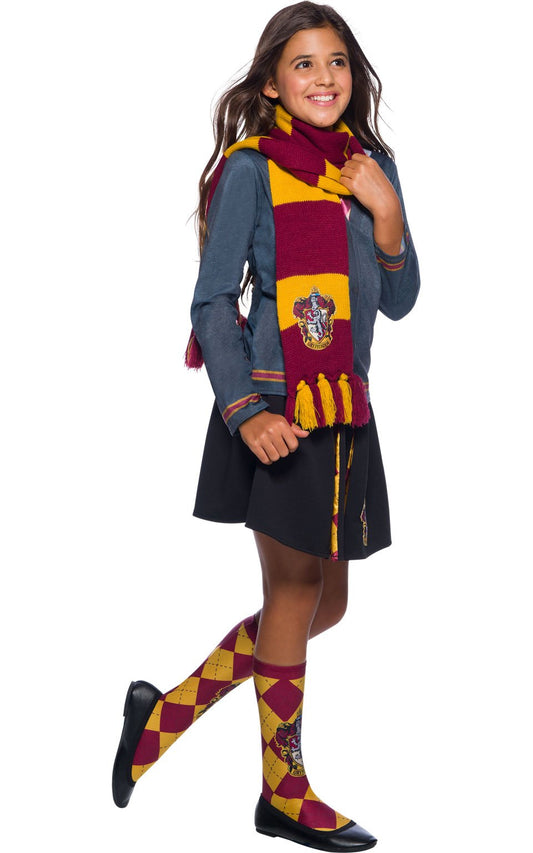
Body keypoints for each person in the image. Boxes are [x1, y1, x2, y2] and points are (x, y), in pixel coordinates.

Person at [112, 3, 420, 850]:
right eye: (304, 64)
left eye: (337, 62)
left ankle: (161, 717)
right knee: (292, 595)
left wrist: (386, 215)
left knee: (329, 602)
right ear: (273, 83)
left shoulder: (370, 167)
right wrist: (245, 413)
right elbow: (212, 301)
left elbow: (399, 299)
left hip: (344, 407)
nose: (324, 78)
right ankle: (283, 791)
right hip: (277, 409)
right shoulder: (251, 168)